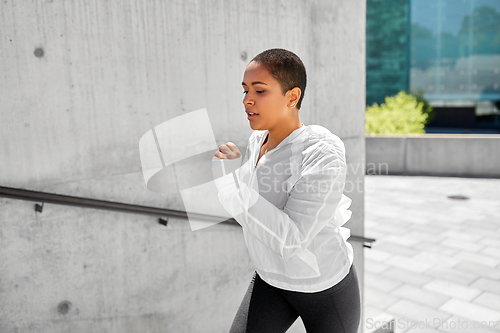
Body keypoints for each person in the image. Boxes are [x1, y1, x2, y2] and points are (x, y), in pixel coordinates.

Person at [211, 48, 361, 333]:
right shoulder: (256, 140)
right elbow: (252, 205)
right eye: (245, 91)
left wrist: (229, 183)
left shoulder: (322, 151)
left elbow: (291, 239)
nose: (247, 101)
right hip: (270, 278)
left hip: (324, 288)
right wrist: (233, 172)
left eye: (260, 91)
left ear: (292, 97)